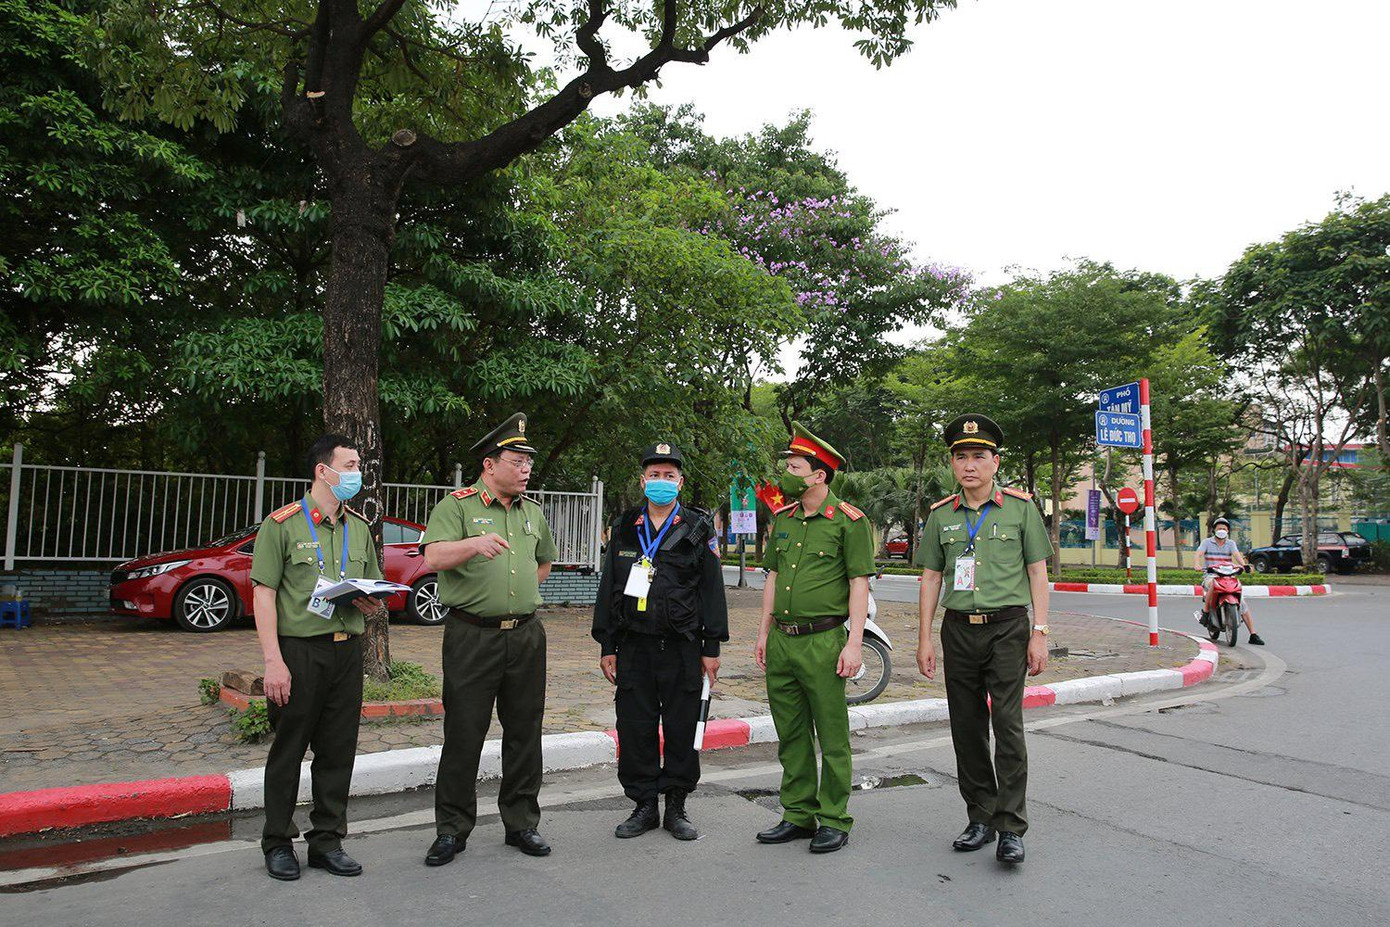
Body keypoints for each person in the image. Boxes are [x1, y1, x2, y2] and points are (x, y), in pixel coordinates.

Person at [914, 414, 1053, 865]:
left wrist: (1040, 632)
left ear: (996, 461)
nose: (969, 464)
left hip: (1009, 628)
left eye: (978, 456)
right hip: (958, 630)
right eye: (961, 456)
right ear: (952, 464)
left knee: (1007, 726)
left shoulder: (1020, 507)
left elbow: (1037, 571)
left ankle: (1011, 826)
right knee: (966, 727)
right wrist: (924, 638)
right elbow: (931, 577)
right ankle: (980, 817)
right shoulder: (940, 515)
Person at [421, 413, 557, 866]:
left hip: (525, 636)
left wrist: (520, 599)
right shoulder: (456, 506)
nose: (525, 469)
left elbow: (543, 563)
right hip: (471, 636)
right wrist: (473, 545)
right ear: (489, 464)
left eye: (528, 463)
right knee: (464, 733)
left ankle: (521, 824)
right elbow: (433, 556)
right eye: (516, 461)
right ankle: (452, 830)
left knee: (524, 732)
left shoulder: (533, 512)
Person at [251, 433, 385, 881]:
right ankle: (277, 842)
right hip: (299, 653)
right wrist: (274, 661)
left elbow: (373, 589)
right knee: (288, 750)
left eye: (357, 465)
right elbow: (264, 594)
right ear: (322, 471)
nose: (356, 474)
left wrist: (370, 603)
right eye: (349, 465)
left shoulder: (359, 527)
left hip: (347, 654)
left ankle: (327, 840)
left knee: (338, 751)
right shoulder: (282, 523)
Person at [592, 442, 729, 841]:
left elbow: (711, 590)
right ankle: (644, 805)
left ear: (681, 482)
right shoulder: (624, 526)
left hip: (683, 647)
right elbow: (610, 587)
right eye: (655, 475)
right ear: (643, 480)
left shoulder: (698, 528)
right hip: (634, 646)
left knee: (682, 727)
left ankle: (677, 807)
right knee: (635, 727)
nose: (661, 482)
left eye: (669, 476)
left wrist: (711, 648)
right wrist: (608, 645)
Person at [754, 423, 874, 854]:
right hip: (783, 641)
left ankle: (834, 818)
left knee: (832, 732)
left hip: (824, 641)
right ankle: (798, 813)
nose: (785, 472)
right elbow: (772, 578)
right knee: (791, 732)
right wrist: (764, 632)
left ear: (819, 474)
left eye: (793, 465)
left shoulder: (849, 521)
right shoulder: (783, 519)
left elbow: (860, 582)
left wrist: (854, 642)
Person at [1195, 517, 1265, 645]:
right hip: (1211, 575)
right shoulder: (1206, 542)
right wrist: (1197, 564)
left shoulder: (1231, 543)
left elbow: (1237, 555)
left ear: (1228, 531)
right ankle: (1205, 613)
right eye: (1219, 528)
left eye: (1224, 529)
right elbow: (1199, 553)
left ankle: (1253, 634)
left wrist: (1244, 565)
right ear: (1214, 530)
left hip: (1228, 575)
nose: (1222, 531)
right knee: (1213, 586)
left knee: (1242, 601)